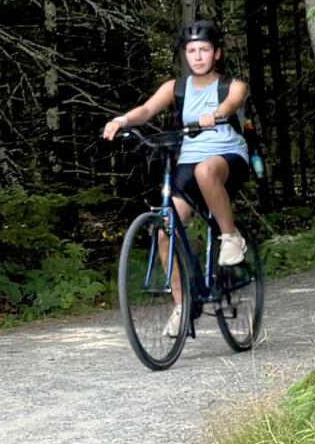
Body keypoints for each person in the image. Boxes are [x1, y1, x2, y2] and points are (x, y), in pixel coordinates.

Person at [101, 22, 251, 337]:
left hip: (227, 159)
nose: (198, 57)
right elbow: (147, 109)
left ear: (217, 53)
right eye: (192, 51)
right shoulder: (176, 88)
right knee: (165, 230)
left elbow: (233, 103)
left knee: (204, 170)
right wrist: (121, 120)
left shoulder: (232, 85)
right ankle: (183, 307)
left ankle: (231, 236)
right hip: (189, 162)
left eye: (204, 50)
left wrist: (217, 113)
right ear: (186, 55)